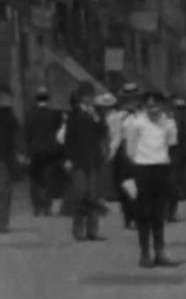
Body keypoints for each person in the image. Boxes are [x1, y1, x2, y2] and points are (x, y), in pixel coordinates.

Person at [125, 90, 180, 268]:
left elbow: (172, 144)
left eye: (156, 104)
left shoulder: (168, 123)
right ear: (144, 106)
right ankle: (144, 254)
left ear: (162, 105)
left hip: (161, 167)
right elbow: (130, 151)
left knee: (159, 213)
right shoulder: (136, 124)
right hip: (143, 168)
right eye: (149, 105)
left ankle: (160, 251)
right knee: (144, 213)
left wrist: (170, 126)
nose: (153, 108)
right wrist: (137, 168)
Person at [63, 81, 109, 242]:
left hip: (94, 159)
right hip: (78, 159)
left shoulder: (96, 113)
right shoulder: (74, 114)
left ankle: (92, 230)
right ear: (82, 97)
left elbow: (103, 131)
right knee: (80, 194)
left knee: (93, 195)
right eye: (87, 96)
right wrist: (68, 158)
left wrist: (97, 118)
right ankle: (78, 230)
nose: (90, 99)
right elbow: (69, 138)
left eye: (92, 96)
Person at [24, 86, 63, 217]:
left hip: (34, 149)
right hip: (48, 149)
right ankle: (47, 206)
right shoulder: (53, 114)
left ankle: (36, 207)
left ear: (36, 99)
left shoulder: (29, 114)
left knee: (34, 179)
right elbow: (58, 130)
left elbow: (26, 133)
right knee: (47, 178)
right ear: (48, 98)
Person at [112, 84, 142, 229]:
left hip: (140, 151)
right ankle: (128, 216)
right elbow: (116, 136)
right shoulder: (119, 117)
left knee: (139, 185)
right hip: (123, 152)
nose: (131, 101)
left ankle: (138, 216)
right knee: (125, 186)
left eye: (134, 98)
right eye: (128, 99)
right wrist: (112, 152)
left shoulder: (142, 116)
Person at [0, 84, 25, 233]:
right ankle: (2, 222)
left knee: (5, 190)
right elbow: (16, 136)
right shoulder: (9, 116)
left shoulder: (9, 115)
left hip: (6, 157)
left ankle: (3, 222)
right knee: (4, 191)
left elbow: (16, 136)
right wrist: (20, 152)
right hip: (5, 157)